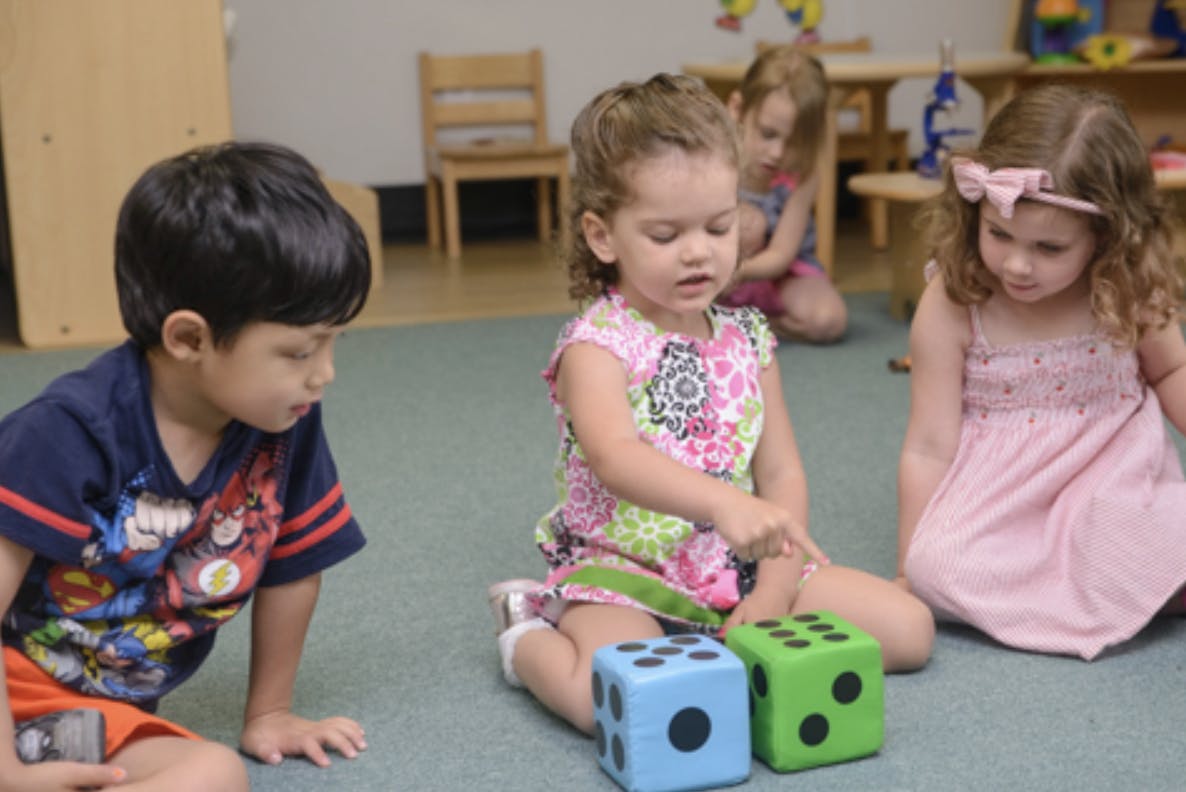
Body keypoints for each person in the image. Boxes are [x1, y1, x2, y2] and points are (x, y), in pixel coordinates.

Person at [489, 73, 934, 736]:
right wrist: (724, 503)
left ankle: (725, 637)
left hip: (740, 565)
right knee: (605, 702)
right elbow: (615, 457)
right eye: (666, 236)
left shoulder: (749, 338)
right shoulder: (598, 344)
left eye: (720, 227)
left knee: (909, 631)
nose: (699, 252)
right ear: (603, 236)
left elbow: (781, 473)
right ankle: (525, 632)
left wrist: (778, 591)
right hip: (626, 566)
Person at [0, 142, 372, 790]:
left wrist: (270, 712)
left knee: (209, 773)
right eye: (299, 351)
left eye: (333, 342)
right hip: (16, 686)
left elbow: (294, 564)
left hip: (93, 709)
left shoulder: (284, 425)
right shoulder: (67, 433)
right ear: (189, 339)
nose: (325, 373)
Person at [898, 84, 1186, 661]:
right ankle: (1132, 592)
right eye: (999, 234)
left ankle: (1133, 579)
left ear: (1106, 236)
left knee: (1118, 535)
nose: (1018, 265)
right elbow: (929, 445)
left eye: (1050, 248)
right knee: (937, 565)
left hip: (1110, 468)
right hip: (1001, 489)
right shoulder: (953, 298)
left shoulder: (1126, 288)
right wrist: (908, 564)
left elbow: (1172, 369)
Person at [716, 43, 848, 343]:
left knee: (829, 320)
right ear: (737, 109)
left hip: (782, 275)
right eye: (768, 134)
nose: (777, 153)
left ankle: (752, 324)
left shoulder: (803, 175)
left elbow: (782, 254)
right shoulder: (716, 159)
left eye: (793, 142)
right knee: (750, 224)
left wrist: (742, 273)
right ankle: (726, 317)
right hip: (722, 274)